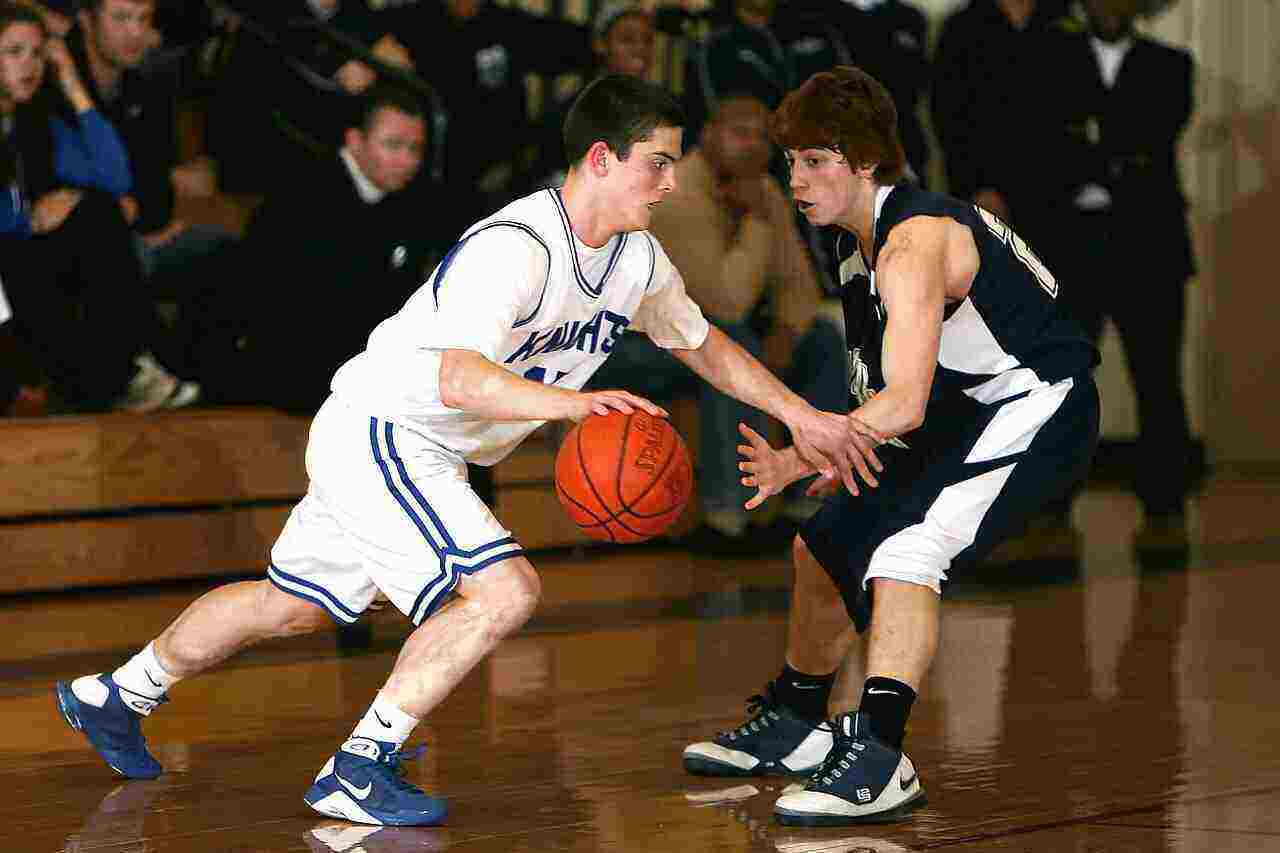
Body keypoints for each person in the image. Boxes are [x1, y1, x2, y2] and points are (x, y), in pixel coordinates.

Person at [54, 74, 867, 828]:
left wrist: (807, 419)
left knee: (289, 603)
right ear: (600, 158)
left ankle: (117, 693)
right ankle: (360, 762)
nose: (670, 183)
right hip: (389, 427)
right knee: (503, 590)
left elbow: (705, 348)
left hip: (411, 446)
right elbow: (456, 375)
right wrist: (575, 405)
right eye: (656, 165)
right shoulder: (516, 244)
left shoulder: (636, 260)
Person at [682, 66, 1100, 825]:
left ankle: (879, 753)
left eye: (815, 161)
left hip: (1038, 404)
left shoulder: (910, 244)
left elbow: (901, 404)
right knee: (825, 543)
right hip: (955, 410)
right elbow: (884, 395)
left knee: (907, 552)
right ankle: (797, 719)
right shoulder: (856, 248)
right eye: (792, 163)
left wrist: (809, 447)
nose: (796, 180)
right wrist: (818, 453)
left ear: (866, 161)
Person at [591, 94, 846, 551]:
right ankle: (729, 516)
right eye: (739, 132)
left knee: (822, 340)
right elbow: (724, 301)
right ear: (708, 137)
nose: (752, 147)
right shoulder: (678, 191)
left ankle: (808, 507)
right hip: (633, 344)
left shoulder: (765, 190)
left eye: (762, 137)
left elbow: (800, 287)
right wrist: (755, 220)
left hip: (710, 333)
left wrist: (787, 332)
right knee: (733, 338)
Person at [0, 1, 196, 411]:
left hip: (27, 261)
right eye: (14, 52)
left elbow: (115, 178)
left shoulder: (33, 120)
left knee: (95, 212)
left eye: (38, 54)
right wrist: (27, 219)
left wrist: (71, 82)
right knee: (92, 220)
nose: (30, 65)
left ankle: (129, 371)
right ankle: (136, 365)